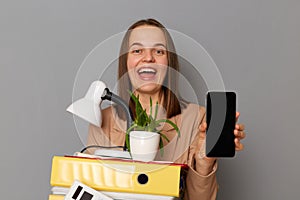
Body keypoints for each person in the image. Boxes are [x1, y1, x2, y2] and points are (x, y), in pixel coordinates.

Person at [87, 18, 246, 200]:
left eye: (159, 51)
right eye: (137, 50)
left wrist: (204, 162)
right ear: (125, 62)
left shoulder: (196, 118)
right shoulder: (103, 120)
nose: (148, 58)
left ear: (169, 62)